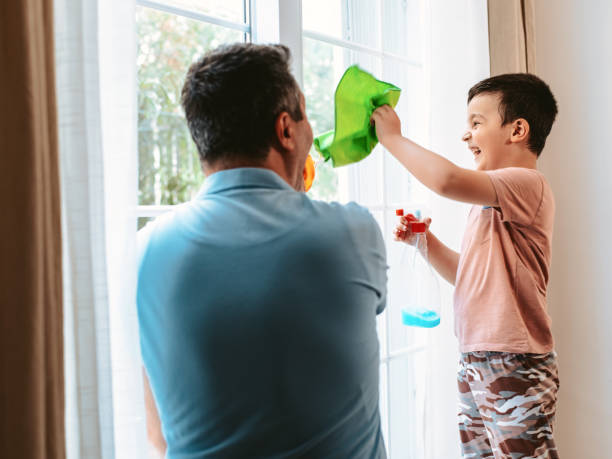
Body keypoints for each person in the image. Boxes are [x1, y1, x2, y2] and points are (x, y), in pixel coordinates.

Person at [137, 43, 388, 458]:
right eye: (306, 118)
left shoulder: (146, 250)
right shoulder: (355, 232)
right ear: (286, 129)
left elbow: (159, 436)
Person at [371, 73, 560, 458]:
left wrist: (392, 139)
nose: (465, 135)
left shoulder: (526, 184)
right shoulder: (488, 202)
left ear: (517, 130)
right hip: (476, 356)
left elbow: (445, 180)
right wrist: (424, 242)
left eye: (476, 123)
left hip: (515, 361)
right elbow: (468, 277)